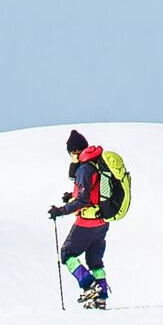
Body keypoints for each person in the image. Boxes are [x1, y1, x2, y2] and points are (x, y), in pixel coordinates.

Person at [43, 130, 116, 309]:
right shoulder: (96, 163)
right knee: (94, 261)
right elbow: (93, 192)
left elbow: (83, 200)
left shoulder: (84, 168)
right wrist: (72, 195)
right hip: (102, 221)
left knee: (67, 253)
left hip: (87, 222)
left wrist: (61, 211)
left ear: (75, 151)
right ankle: (100, 297)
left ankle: (90, 285)